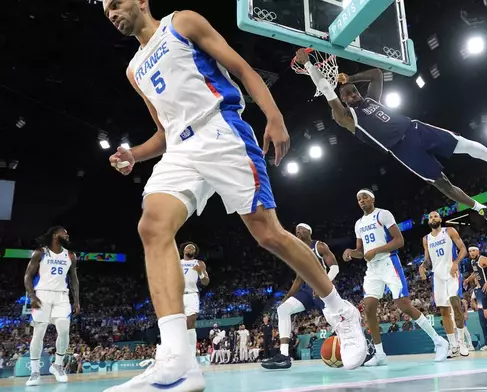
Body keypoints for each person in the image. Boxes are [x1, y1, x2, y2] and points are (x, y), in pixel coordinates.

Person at [102, 2, 367, 389]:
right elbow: (163, 130)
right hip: (180, 150)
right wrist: (134, 154)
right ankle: (179, 361)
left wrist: (273, 115)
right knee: (152, 226)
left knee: (268, 235)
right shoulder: (133, 69)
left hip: (220, 130)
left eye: (115, 2)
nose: (111, 12)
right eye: (105, 9)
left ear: (141, 1)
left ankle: (340, 310)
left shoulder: (183, 22)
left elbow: (242, 69)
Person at [294, 49, 487, 234]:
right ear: (342, 101)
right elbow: (325, 88)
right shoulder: (346, 118)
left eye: (354, 92)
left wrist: (350, 78)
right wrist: (308, 64)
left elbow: (375, 73)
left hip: (415, 129)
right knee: (442, 184)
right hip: (403, 150)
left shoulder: (372, 100)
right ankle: (483, 209)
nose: (353, 96)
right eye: (347, 95)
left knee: (463, 143)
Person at [343, 189, 449, 366]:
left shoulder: (383, 214)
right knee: (368, 309)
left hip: (389, 263)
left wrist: (376, 250)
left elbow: (399, 241)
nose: (362, 200)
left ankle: (439, 341)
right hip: (372, 269)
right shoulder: (358, 224)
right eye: (359, 199)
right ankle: (380, 354)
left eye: (365, 197)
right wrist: (351, 253)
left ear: (373, 199)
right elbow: (361, 252)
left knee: (403, 305)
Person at [262, 223, 339, 370]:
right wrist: (286, 298)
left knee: (332, 317)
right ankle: (284, 356)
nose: (298, 231)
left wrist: (324, 284)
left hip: (323, 287)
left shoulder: (319, 246)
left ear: (309, 231)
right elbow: (298, 279)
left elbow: (334, 267)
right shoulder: (297, 252)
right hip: (307, 291)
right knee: (283, 309)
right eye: (296, 230)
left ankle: (351, 346)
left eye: (301, 229)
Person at [23, 226, 80, 386]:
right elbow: (28, 275)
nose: (67, 235)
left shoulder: (70, 255)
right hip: (42, 294)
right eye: (65, 233)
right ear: (56, 235)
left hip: (61, 296)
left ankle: (58, 365)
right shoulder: (40, 252)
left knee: (64, 330)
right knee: (39, 332)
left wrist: (76, 300)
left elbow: (74, 279)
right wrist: (32, 296)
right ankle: (35, 372)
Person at [419, 211, 469, 357]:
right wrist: (422, 266)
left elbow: (463, 249)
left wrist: (456, 263)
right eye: (430, 217)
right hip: (438, 277)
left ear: (440, 219)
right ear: (428, 222)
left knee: (456, 305)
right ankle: (453, 345)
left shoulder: (449, 231)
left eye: (435, 216)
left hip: (451, 273)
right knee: (444, 312)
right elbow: (428, 259)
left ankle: (462, 343)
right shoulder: (426, 239)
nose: (433, 218)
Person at [179, 242, 209, 356]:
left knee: (190, 322)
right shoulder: (177, 262)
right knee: (179, 324)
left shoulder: (199, 263)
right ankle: (181, 353)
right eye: (188, 247)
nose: (191, 248)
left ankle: (191, 355)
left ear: (195, 252)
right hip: (178, 295)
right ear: (183, 251)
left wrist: (200, 272)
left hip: (192, 295)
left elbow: (206, 282)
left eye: (193, 248)